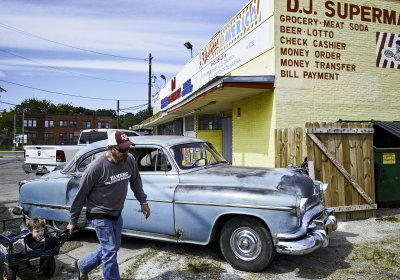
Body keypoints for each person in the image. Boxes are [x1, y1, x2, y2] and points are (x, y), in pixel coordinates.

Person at [67, 130, 150, 280]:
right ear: (110, 148)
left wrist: (143, 201)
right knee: (110, 251)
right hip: (98, 213)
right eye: (122, 150)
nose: (126, 153)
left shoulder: (129, 159)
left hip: (116, 213)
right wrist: (73, 220)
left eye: (128, 148)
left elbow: (135, 181)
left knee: (112, 248)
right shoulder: (95, 168)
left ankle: (83, 265)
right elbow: (80, 195)